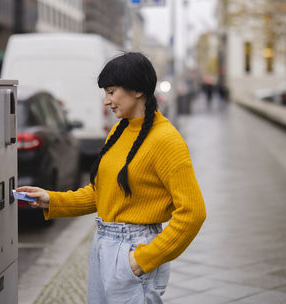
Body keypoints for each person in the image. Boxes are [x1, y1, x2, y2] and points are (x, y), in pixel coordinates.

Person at [17, 52, 206, 304]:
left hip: (133, 248)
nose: (106, 101)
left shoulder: (166, 140)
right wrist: (50, 199)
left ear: (137, 90)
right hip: (102, 244)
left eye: (111, 91)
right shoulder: (119, 130)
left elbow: (194, 213)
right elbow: (100, 193)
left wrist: (143, 259)